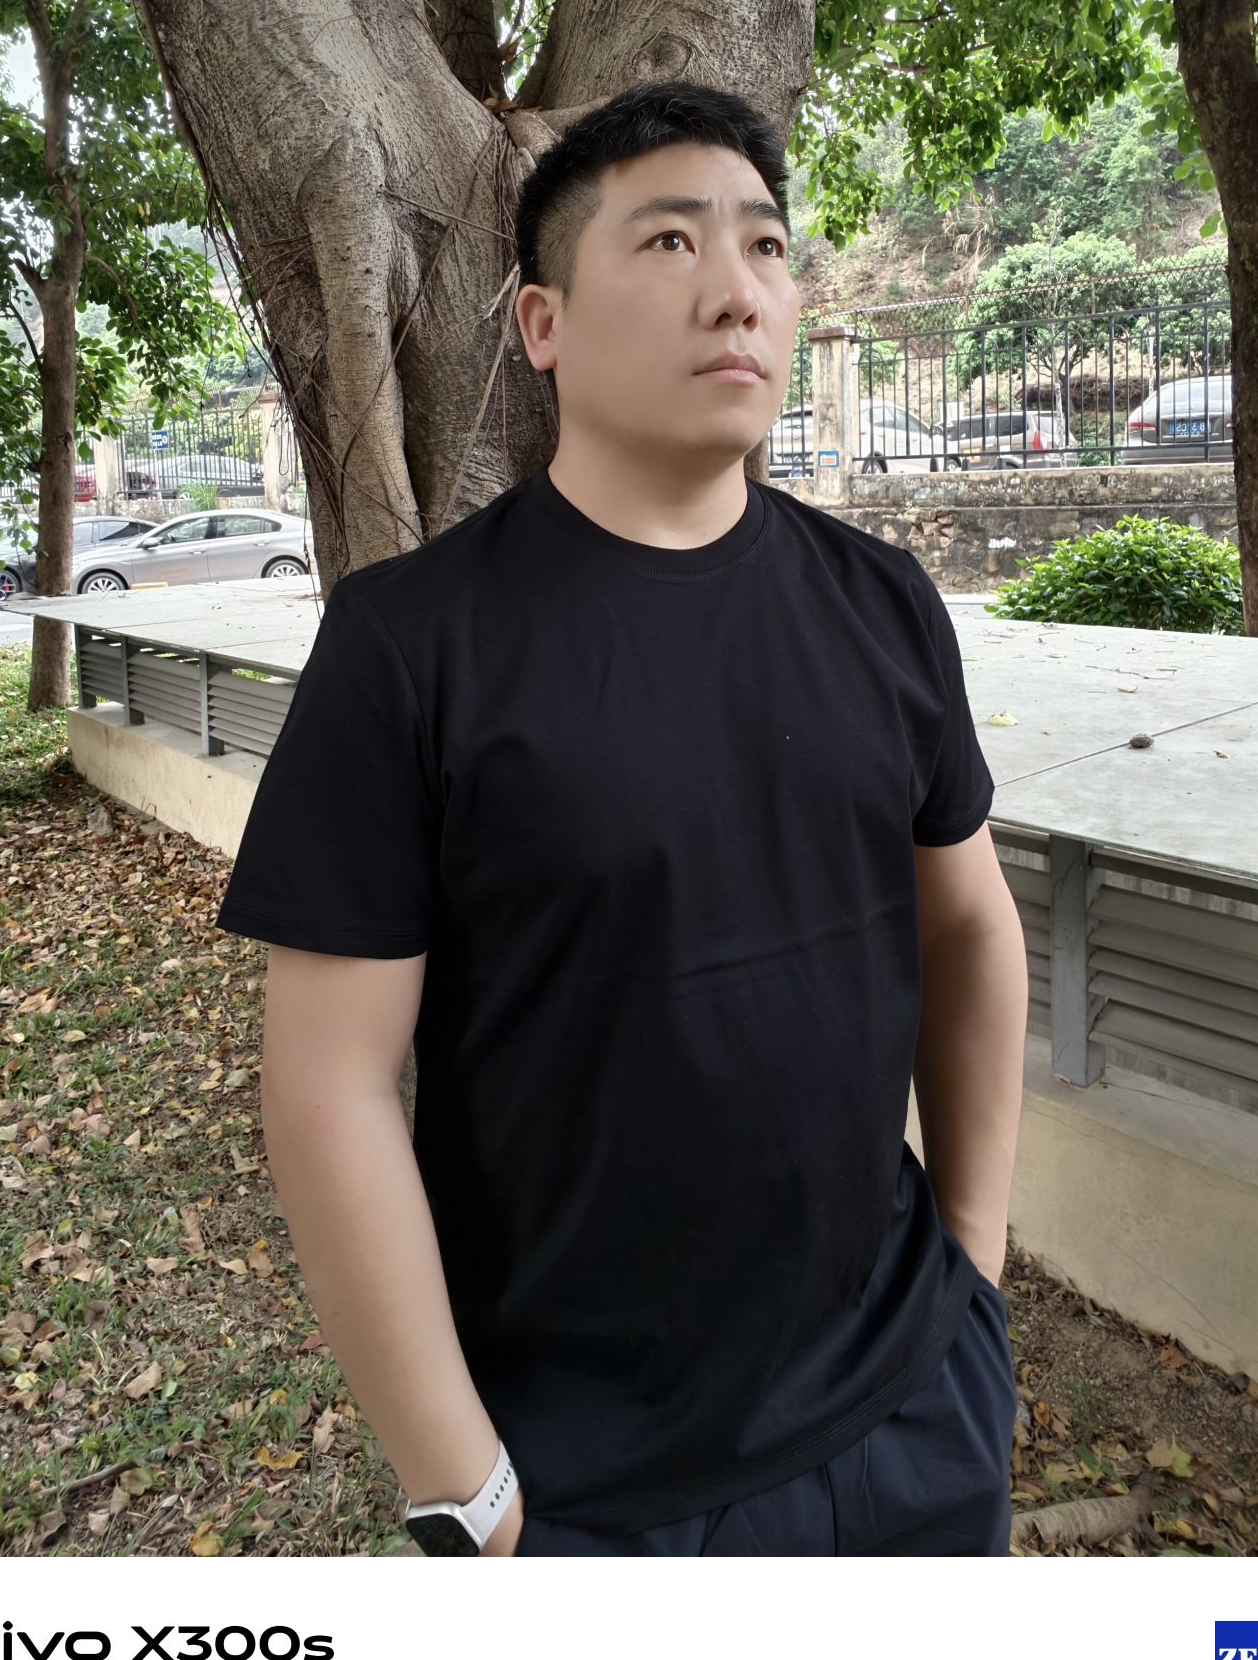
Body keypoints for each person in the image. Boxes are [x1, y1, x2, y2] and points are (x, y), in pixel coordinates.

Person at [214, 80, 1028, 1557]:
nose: (737, 291)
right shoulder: (412, 647)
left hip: (915, 1411)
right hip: (597, 1491)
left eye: (765, 246)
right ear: (543, 324)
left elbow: (969, 929)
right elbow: (329, 1085)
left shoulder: (882, 605)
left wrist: (974, 1267)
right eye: (668, 242)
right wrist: (464, 1486)